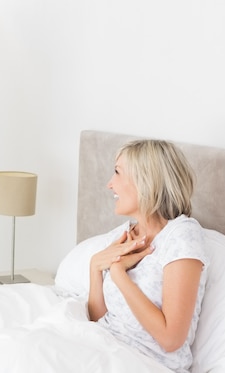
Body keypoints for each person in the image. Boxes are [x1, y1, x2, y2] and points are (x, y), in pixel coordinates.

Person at [87, 139, 208, 373]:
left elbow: (171, 339)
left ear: (146, 181)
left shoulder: (181, 235)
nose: (109, 184)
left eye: (117, 173)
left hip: (146, 363)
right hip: (103, 348)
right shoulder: (122, 236)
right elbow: (97, 320)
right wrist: (95, 267)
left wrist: (118, 273)